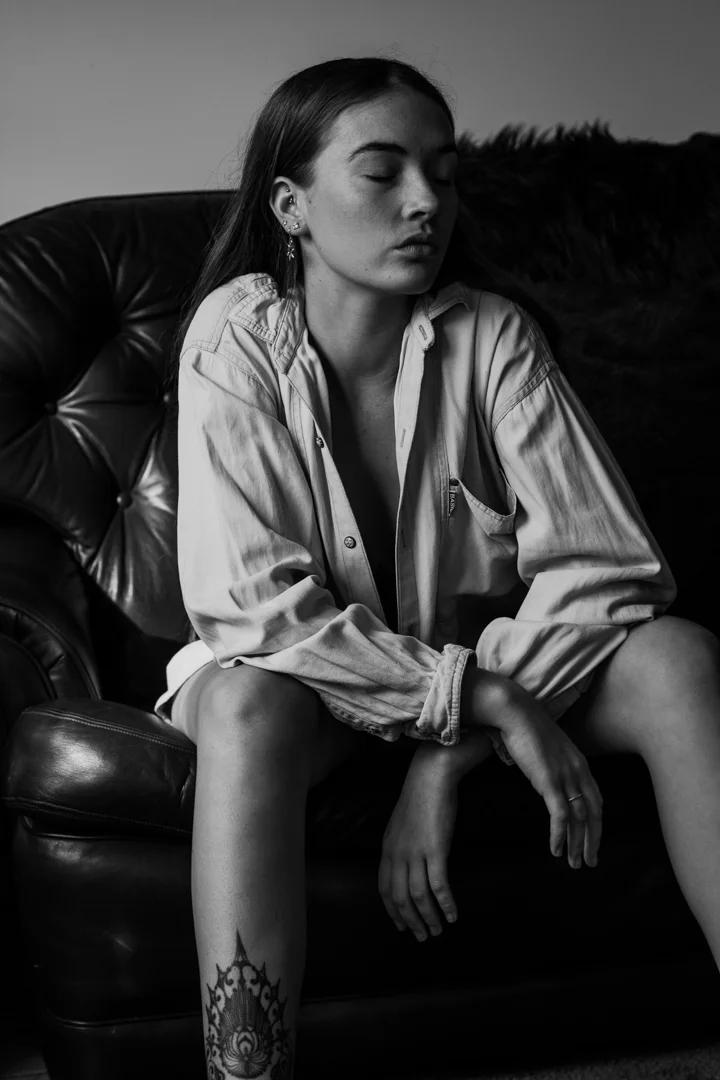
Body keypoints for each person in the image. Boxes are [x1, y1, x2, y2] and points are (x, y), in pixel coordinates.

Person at [155, 56, 720, 1080]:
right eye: (384, 173)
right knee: (245, 704)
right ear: (290, 205)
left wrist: (449, 747)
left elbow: (611, 569)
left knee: (675, 657)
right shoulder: (235, 338)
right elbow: (259, 614)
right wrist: (479, 701)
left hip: (486, 668)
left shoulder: (492, 336)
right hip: (305, 688)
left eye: (446, 175)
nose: (427, 202)